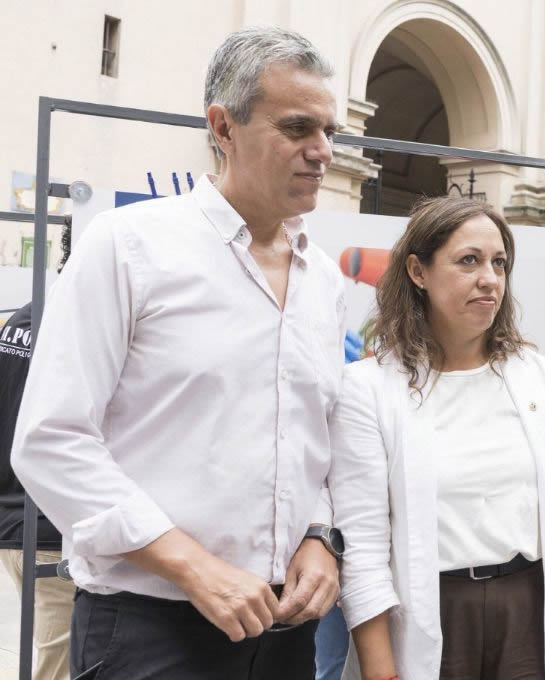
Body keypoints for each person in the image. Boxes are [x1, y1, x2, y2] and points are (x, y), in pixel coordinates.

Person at [12, 27, 347, 679]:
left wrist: (318, 536)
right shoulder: (131, 247)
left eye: (330, 131)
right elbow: (50, 440)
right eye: (298, 128)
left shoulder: (324, 283)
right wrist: (191, 566)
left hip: (283, 632)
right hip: (149, 628)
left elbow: (312, 439)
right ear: (223, 126)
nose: (322, 152)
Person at [328, 196, 545, 680]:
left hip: (527, 611)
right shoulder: (370, 389)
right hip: (428, 618)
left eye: (499, 263)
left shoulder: (542, 378)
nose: (490, 279)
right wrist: (381, 671)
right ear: (418, 272)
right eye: (469, 261)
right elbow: (364, 547)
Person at [0, 222, 74, 680]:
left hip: (14, 522)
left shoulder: (24, 317)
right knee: (57, 668)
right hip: (49, 530)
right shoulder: (71, 322)